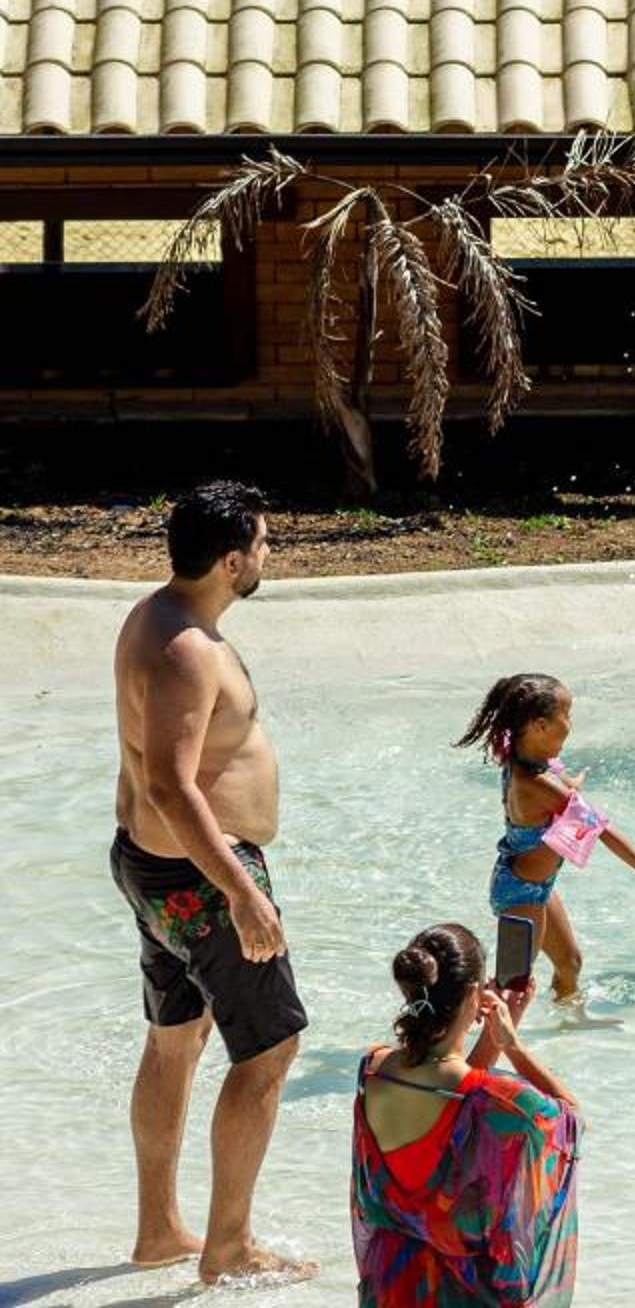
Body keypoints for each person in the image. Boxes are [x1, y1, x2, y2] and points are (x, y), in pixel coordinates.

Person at [106, 480, 311, 1285]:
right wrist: (241, 891)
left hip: (154, 867)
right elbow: (170, 783)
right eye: (262, 544)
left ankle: (159, 1229)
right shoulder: (187, 648)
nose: (268, 554)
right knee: (269, 1047)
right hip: (200, 875)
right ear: (231, 561)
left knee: (176, 1037)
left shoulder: (156, 616)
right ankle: (229, 1247)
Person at [353, 921, 582, 1305]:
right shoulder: (507, 1103)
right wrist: (514, 1047)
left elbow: (456, 1096)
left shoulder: (372, 1070)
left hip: (392, 1284)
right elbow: (571, 1122)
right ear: (476, 993)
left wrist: (495, 1040)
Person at [454, 674, 635, 1008]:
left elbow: (557, 781)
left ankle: (569, 1023)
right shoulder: (534, 783)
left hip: (537, 887)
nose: (571, 723)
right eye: (567, 714)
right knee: (510, 989)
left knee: (570, 964)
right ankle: (464, 1029)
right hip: (520, 894)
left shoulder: (525, 757)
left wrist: (570, 785)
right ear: (539, 725)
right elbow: (600, 829)